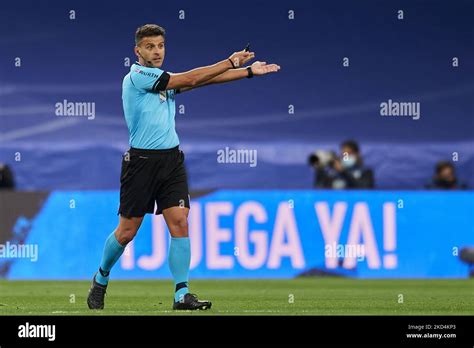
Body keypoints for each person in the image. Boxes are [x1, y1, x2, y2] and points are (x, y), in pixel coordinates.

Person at [87, 24, 280, 311]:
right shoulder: (137, 76)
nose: (157, 51)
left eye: (161, 45)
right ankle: (101, 277)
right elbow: (191, 77)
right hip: (141, 163)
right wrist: (229, 61)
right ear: (137, 51)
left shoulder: (165, 79)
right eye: (150, 46)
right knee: (127, 232)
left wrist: (247, 72)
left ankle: (182, 294)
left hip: (171, 161)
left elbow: (200, 81)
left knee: (179, 222)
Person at [310, 140, 374, 189]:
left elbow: (364, 188)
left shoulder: (366, 172)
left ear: (357, 154)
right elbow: (319, 188)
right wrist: (320, 168)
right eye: (344, 154)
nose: (346, 156)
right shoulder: (333, 173)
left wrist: (343, 171)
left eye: (349, 153)